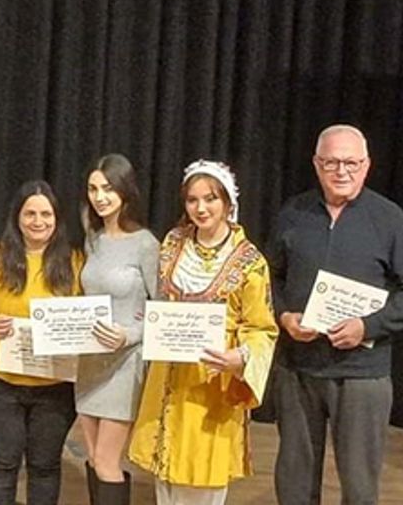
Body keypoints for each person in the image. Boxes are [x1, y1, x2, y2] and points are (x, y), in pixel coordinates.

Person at [128, 160, 278, 504]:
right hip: (169, 377)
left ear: (227, 202)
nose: (201, 208)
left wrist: (240, 357)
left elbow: (261, 328)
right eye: (192, 200)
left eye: (210, 199)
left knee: (201, 479)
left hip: (212, 382)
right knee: (166, 478)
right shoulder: (173, 243)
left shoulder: (249, 262)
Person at [268, 125, 403, 505]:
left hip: (362, 373)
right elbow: (268, 278)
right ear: (317, 164)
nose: (341, 171)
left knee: (359, 489)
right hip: (298, 368)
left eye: (351, 163)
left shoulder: (390, 218)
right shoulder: (293, 213)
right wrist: (284, 316)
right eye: (331, 162)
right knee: (294, 485)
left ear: (367, 165)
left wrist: (367, 326)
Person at [0, 181, 81, 505]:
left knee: (45, 466)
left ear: (57, 218)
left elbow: (85, 315)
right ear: (17, 217)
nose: (38, 221)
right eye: (30, 213)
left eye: (46, 214)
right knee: (3, 462)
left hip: (55, 386)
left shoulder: (75, 261)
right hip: (1, 384)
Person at [75, 155, 159, 504]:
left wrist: (130, 334)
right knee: (94, 459)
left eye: (108, 188)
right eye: (93, 189)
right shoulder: (93, 239)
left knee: (107, 461)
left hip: (125, 365)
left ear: (125, 190)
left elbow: (162, 312)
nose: (100, 197)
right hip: (90, 363)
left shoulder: (145, 243)